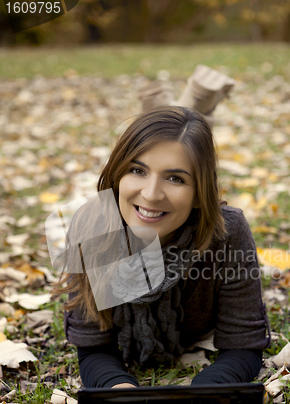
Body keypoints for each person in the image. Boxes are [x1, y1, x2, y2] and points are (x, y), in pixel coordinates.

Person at [56, 106, 271, 389]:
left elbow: (243, 345)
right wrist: (121, 395)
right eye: (137, 170)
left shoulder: (227, 232)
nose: (151, 194)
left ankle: (200, 101)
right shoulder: (90, 226)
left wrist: (203, 394)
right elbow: (94, 348)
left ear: (199, 194)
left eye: (175, 178)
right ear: (118, 175)